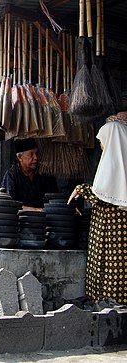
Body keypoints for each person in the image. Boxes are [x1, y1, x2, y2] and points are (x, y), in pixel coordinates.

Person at [68, 113, 127, 305]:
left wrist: (80, 189)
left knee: (111, 268)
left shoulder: (113, 163)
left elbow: (101, 194)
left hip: (111, 230)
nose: (101, 146)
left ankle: (110, 306)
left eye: (102, 142)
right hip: (111, 227)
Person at [1, 138, 58, 210]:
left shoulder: (45, 172)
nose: (36, 157)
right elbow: (10, 204)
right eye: (31, 154)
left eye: (36, 154)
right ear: (20, 157)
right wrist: (35, 210)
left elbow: (54, 198)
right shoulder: (12, 175)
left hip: (44, 217)